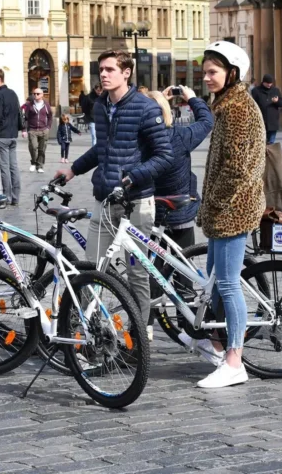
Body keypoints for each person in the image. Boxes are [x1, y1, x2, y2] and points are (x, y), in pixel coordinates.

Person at [57, 50, 172, 344]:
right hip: (105, 200)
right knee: (90, 268)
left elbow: (164, 155)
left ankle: (140, 334)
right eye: (101, 70)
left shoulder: (145, 109)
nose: (104, 75)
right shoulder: (101, 106)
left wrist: (134, 176)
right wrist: (73, 170)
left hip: (136, 204)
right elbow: (102, 150)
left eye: (110, 69)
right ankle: (83, 333)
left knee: (136, 273)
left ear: (126, 73)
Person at [191, 41, 263, 388]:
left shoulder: (237, 110)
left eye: (212, 72)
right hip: (224, 208)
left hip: (235, 208)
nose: (206, 77)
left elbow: (237, 169)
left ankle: (235, 360)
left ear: (232, 73)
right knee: (213, 279)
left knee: (228, 284)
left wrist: (213, 203)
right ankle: (217, 344)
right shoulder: (225, 105)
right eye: (204, 71)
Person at [147, 86, 213, 252]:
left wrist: (155, 101)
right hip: (181, 210)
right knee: (183, 264)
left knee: (154, 267)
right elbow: (206, 121)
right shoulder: (180, 136)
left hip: (151, 210)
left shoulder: (140, 139)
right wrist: (191, 98)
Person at [0, 68, 21, 205]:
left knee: (4, 167)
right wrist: (19, 129)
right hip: (12, 134)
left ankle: (6, 197)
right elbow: (19, 113)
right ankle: (15, 196)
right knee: (14, 166)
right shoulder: (13, 93)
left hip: (1, 135)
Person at [21, 87, 53, 173]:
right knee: (33, 147)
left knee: (42, 149)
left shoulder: (46, 105)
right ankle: (33, 163)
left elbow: (50, 116)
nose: (35, 95)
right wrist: (24, 129)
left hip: (43, 130)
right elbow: (24, 118)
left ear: (42, 95)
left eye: (37, 94)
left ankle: (40, 166)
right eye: (34, 94)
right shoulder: (29, 105)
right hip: (32, 130)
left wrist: (48, 127)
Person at [251, 74, 282, 144]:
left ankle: (269, 154)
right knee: (261, 142)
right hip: (261, 120)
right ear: (263, 82)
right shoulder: (256, 91)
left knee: (271, 143)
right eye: (268, 83)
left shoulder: (276, 90)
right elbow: (252, 104)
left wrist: (277, 101)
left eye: (271, 83)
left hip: (273, 120)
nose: (269, 85)